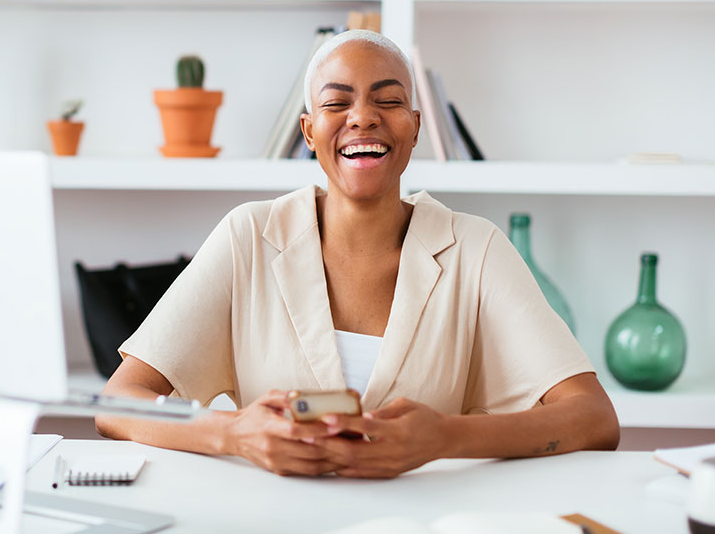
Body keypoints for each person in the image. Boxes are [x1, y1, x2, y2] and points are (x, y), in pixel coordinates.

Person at [96, 30, 620, 478]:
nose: (363, 117)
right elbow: (120, 402)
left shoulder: (476, 249)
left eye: (388, 101)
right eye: (336, 102)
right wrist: (234, 433)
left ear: (415, 127)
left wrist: (445, 439)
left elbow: (594, 419)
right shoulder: (248, 235)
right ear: (308, 131)